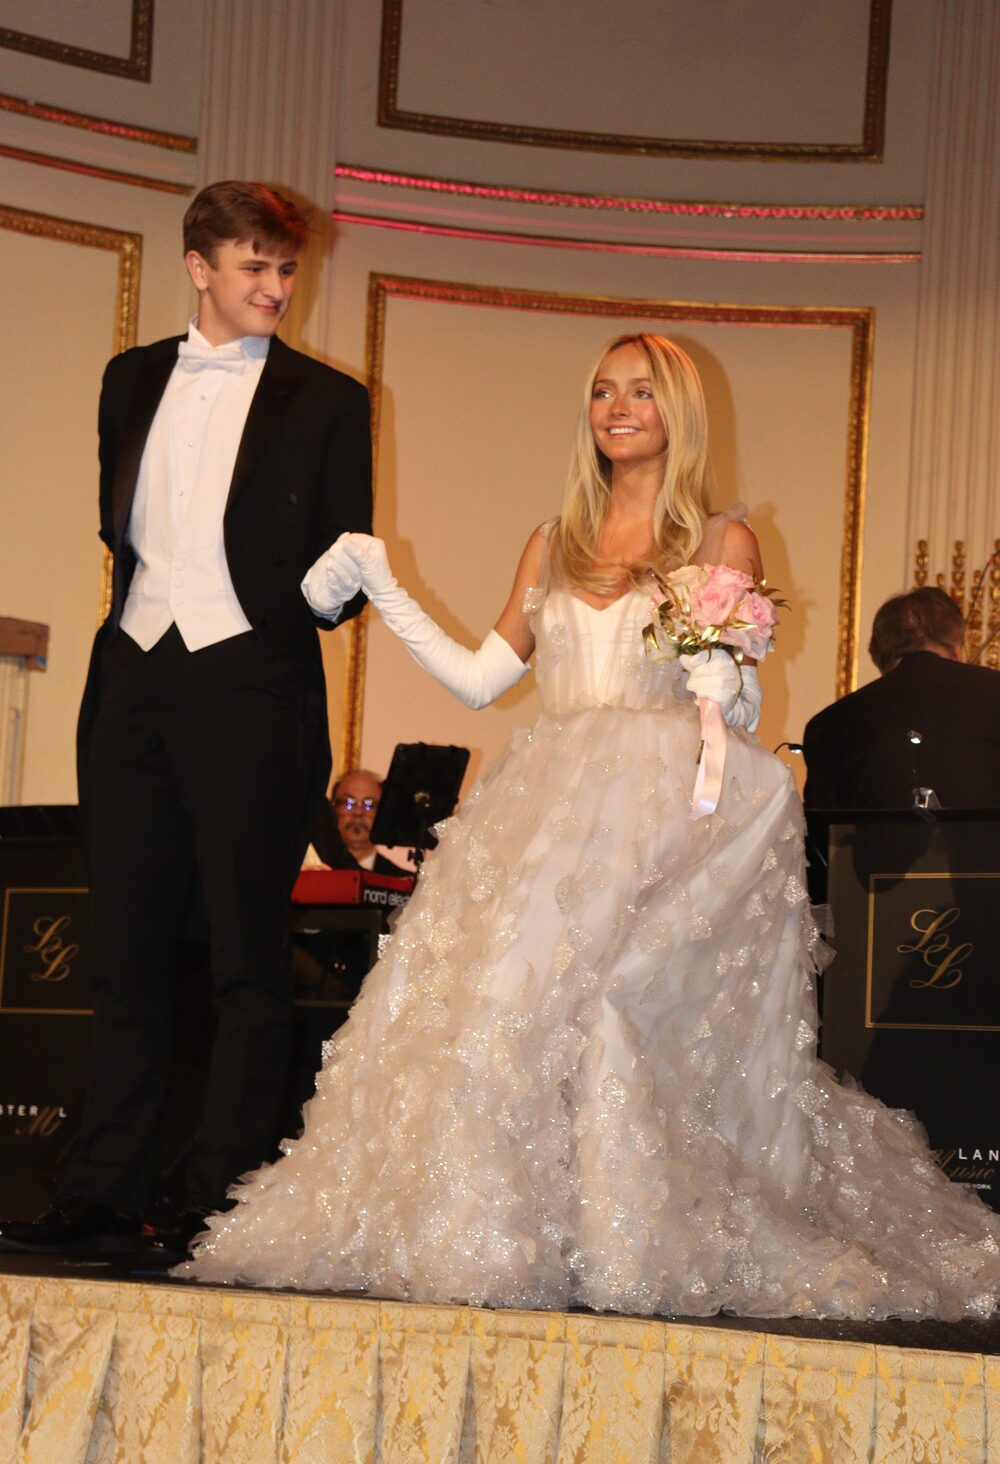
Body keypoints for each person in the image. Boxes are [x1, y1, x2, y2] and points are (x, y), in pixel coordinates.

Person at [177, 333, 1000, 1319]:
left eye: (641, 391)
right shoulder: (552, 538)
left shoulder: (719, 543)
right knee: (498, 1010)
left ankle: (628, 1236)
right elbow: (486, 679)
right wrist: (384, 588)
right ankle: (496, 1233)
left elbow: (731, 719)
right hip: (549, 806)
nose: (617, 406)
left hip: (661, 807)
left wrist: (722, 680)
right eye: (604, 391)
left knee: (613, 1008)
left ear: (676, 412)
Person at [0, 182, 372, 1257]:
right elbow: (122, 533)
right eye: (253, 266)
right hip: (131, 681)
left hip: (252, 684)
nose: (275, 288)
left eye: (286, 269)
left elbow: (340, 576)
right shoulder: (129, 380)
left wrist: (324, 589)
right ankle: (102, 1187)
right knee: (123, 948)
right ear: (198, 266)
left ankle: (215, 1198)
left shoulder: (329, 401)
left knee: (245, 955)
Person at [803, 586, 1000, 809]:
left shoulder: (828, 726)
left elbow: (822, 836)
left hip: (876, 845)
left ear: (880, 659)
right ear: (957, 648)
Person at [311, 769, 413, 874]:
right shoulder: (311, 869)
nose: (358, 812)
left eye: (369, 804)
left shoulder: (400, 881)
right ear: (332, 809)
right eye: (348, 802)